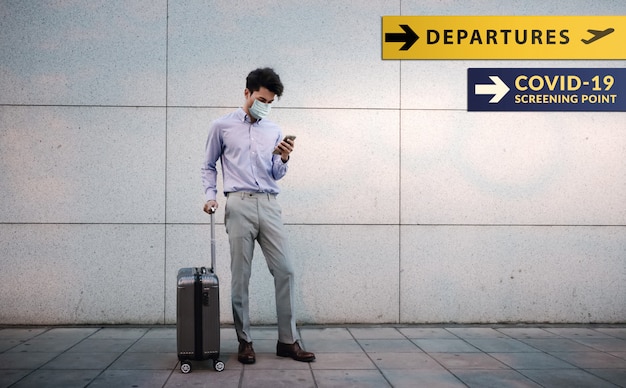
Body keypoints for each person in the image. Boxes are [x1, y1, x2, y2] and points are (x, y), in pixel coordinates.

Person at [201, 67, 315, 364]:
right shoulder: (221, 126)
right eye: (262, 99)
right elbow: (208, 165)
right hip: (238, 204)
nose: (265, 105)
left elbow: (276, 174)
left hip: (269, 203)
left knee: (286, 270)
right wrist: (210, 197)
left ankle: (288, 341)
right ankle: (245, 341)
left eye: (271, 102)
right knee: (241, 276)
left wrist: (284, 157)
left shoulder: (273, 129)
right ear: (247, 93)